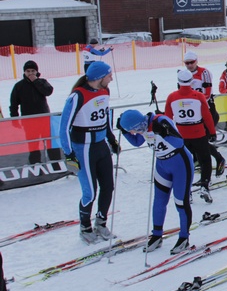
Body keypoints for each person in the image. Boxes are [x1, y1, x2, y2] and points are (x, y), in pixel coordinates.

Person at [59, 61, 120, 244]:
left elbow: (105, 117)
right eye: (108, 75)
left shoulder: (105, 91)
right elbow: (64, 128)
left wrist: (111, 139)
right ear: (99, 77)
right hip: (83, 148)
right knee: (90, 193)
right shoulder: (77, 96)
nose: (111, 78)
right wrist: (69, 153)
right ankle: (85, 226)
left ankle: (101, 222)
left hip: (101, 146)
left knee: (108, 186)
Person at [117, 109, 193, 255]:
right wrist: (125, 132)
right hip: (162, 165)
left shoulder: (160, 120)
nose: (138, 132)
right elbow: (137, 142)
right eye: (134, 130)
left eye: (137, 129)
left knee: (181, 202)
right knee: (159, 202)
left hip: (180, 163)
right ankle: (157, 235)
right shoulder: (142, 128)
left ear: (141, 122)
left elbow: (178, 141)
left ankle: (184, 237)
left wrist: (164, 133)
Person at [165, 69, 217, 203]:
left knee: (185, 163)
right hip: (198, 132)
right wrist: (212, 132)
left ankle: (186, 191)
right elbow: (207, 116)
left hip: (182, 134)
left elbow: (168, 118)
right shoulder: (198, 96)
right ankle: (205, 186)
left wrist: (169, 135)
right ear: (191, 81)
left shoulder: (172, 97)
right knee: (205, 160)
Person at [183, 51, 226, 176]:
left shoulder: (204, 73)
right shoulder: (184, 74)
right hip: (193, 110)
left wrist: (195, 101)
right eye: (187, 63)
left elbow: (207, 93)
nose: (190, 65)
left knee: (201, 141)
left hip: (207, 109)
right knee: (191, 140)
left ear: (196, 61)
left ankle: (217, 159)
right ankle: (198, 160)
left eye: (192, 62)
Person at [9, 60, 62, 164]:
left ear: (37, 72)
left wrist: (36, 81)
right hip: (29, 121)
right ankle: (36, 165)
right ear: (24, 72)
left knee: (51, 142)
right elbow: (14, 104)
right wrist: (15, 119)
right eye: (28, 71)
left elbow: (48, 91)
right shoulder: (19, 86)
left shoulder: (42, 82)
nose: (30, 73)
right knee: (33, 145)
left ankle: (57, 165)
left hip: (44, 118)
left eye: (33, 71)